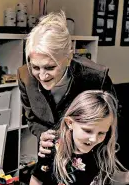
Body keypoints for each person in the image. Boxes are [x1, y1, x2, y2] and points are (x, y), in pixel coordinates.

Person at [18, 10, 116, 158]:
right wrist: (43, 133)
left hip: (91, 154)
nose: (42, 76)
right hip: (49, 154)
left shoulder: (96, 77)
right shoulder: (25, 76)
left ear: (69, 57)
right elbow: (31, 118)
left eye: (50, 67)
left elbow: (112, 122)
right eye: (36, 67)